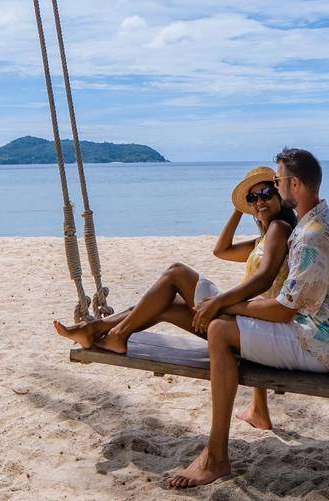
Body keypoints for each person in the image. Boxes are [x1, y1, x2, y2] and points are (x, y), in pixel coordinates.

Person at [167, 146, 329, 490]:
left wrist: (223, 305)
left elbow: (281, 310)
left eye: (277, 182)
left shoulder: (311, 237)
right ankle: (245, 420)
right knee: (219, 320)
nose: (275, 188)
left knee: (220, 330)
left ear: (294, 185)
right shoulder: (317, 221)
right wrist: (225, 305)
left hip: (328, 347)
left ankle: (216, 457)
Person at [53, 168, 295, 431]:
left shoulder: (279, 229)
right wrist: (240, 208)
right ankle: (100, 330)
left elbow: (263, 281)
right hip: (252, 320)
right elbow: (221, 250)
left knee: (176, 273)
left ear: (280, 195)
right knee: (165, 305)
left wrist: (218, 302)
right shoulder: (264, 237)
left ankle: (110, 331)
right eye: (252, 198)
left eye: (266, 193)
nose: (260, 201)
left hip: (256, 323)